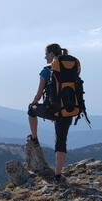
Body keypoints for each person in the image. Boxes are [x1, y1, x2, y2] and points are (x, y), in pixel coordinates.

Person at [27, 43, 73, 182]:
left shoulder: (47, 71)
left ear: (52, 54)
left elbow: (39, 94)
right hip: (69, 110)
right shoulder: (71, 69)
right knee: (61, 142)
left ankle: (34, 138)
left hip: (52, 110)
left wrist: (34, 103)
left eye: (46, 54)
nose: (45, 56)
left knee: (30, 110)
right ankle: (58, 175)